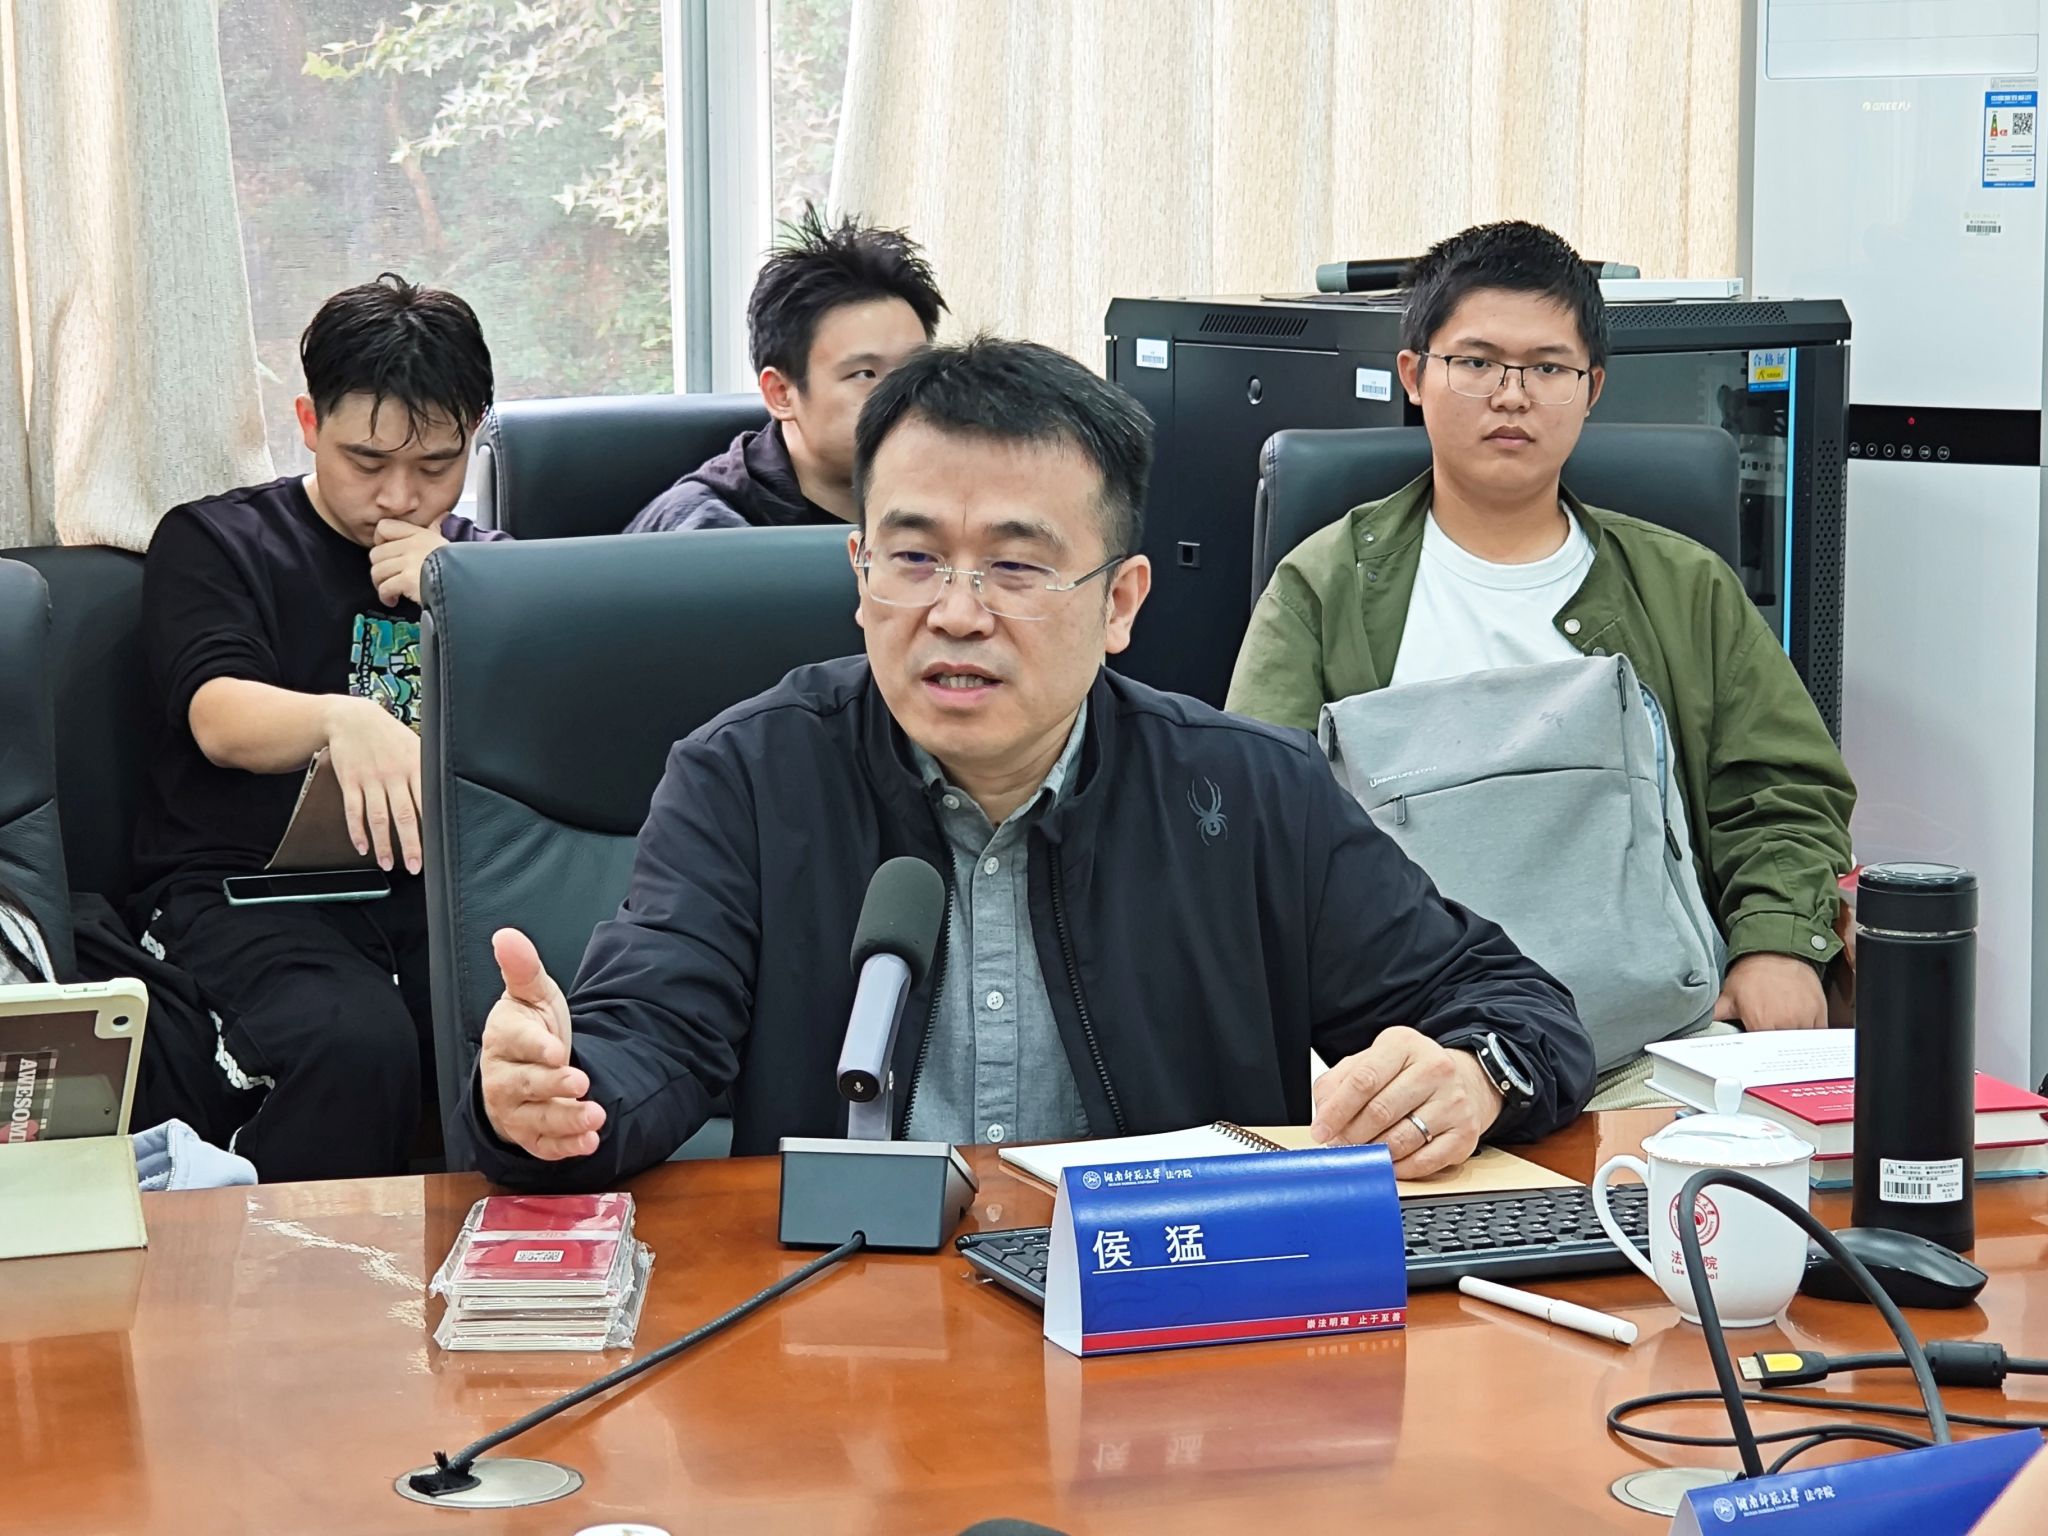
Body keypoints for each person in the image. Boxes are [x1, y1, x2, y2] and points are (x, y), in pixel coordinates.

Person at [466, 336, 1595, 1192]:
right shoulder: (747, 778)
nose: (956, 613)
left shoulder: (1247, 793)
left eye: (1014, 568)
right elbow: (648, 1036)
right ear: (859, 572)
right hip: (853, 1327)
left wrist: (1471, 1075)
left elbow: (1514, 1007)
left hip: (1169, 1325)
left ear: (1120, 603)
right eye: (914, 558)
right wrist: (555, 1091)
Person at [1226, 221, 1855, 1076]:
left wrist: (1776, 943)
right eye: (1476, 362)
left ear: (1592, 388)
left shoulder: (1684, 585)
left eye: (1549, 368)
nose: (1512, 395)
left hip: (1656, 1038)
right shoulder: (1326, 586)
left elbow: (1782, 792)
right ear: (1414, 375)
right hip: (1410, 1049)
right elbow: (1256, 821)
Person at [131, 273, 502, 1181]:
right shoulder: (219, 542)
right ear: (308, 421)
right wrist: (343, 719)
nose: (400, 496)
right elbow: (219, 715)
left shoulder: (487, 568)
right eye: (366, 461)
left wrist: (464, 596)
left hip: (426, 895)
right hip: (244, 892)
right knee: (354, 1042)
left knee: (523, 1025)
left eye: (436, 465)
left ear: (476, 437)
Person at [625, 206, 947, 532]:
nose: (903, 394)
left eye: (915, 367)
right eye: (865, 374)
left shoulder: (949, 492)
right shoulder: (708, 531)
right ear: (780, 394)